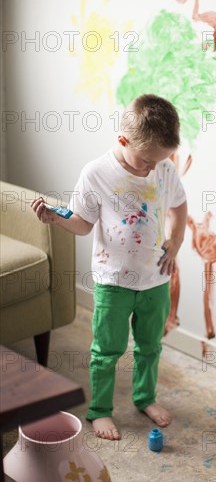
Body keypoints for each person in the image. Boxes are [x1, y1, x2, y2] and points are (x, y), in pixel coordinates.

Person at [31, 94, 188, 440]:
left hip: (155, 281)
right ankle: (100, 410)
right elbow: (83, 223)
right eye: (146, 160)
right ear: (123, 141)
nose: (151, 168)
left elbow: (178, 205)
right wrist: (58, 219)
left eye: (159, 161)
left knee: (150, 347)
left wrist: (175, 243)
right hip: (113, 281)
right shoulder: (97, 173)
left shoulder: (163, 168)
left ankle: (145, 397)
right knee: (107, 350)